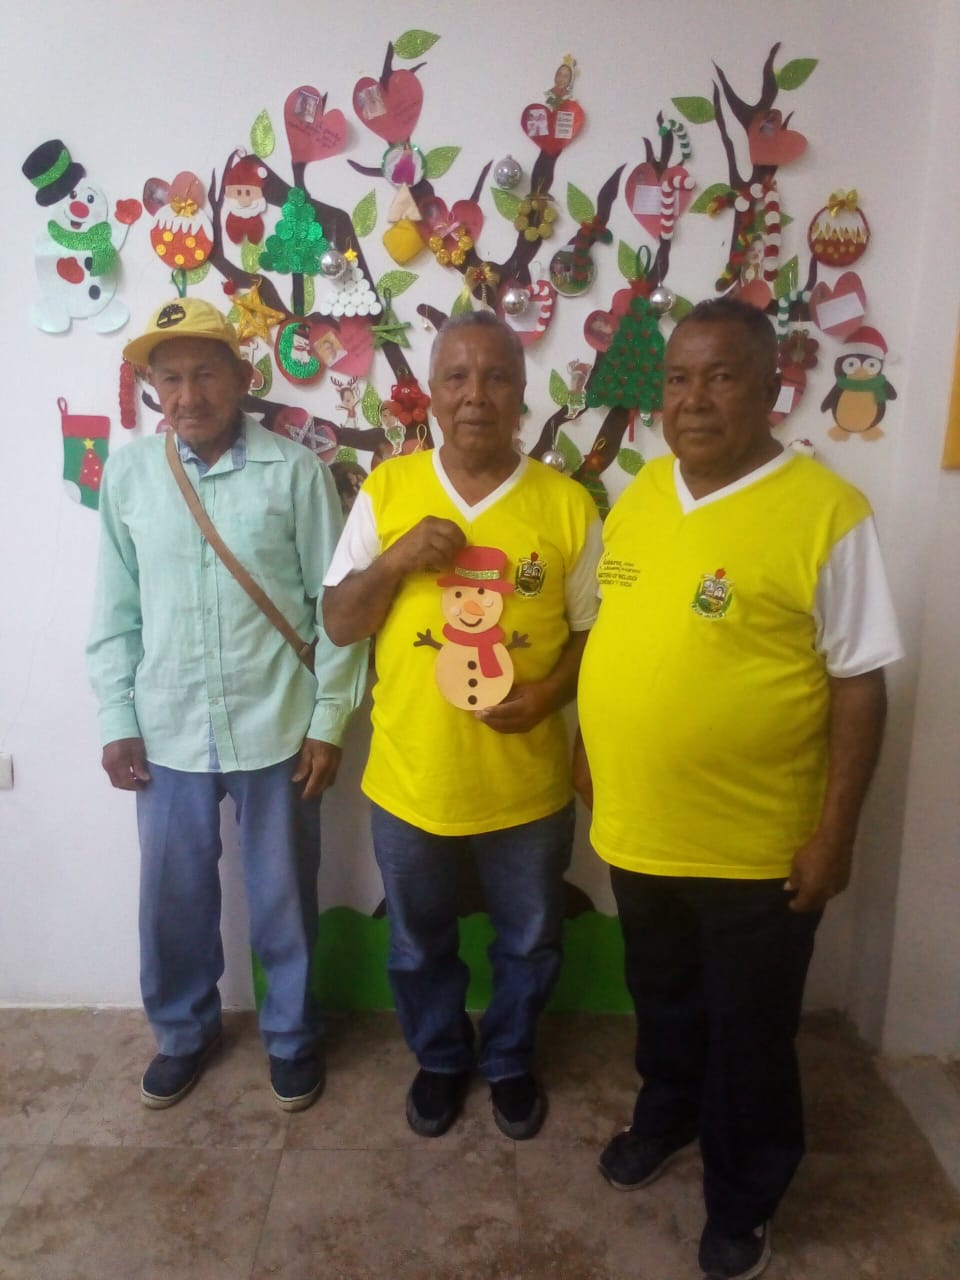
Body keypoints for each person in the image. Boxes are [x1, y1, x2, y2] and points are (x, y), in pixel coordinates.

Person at [574, 297, 902, 1280]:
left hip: (757, 845)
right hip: (640, 828)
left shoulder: (826, 513)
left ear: (771, 388)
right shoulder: (640, 492)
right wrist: (591, 751)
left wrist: (836, 833)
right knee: (663, 999)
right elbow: (617, 638)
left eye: (721, 377)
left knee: (751, 1034)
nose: (695, 399)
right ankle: (666, 1114)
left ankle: (745, 1193)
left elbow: (860, 682)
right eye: (679, 378)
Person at [322, 311, 602, 1140]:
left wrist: (547, 697)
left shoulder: (566, 505)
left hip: (528, 786)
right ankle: (441, 1058)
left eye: (496, 377)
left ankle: (509, 1059)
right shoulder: (388, 491)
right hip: (412, 781)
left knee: (531, 940)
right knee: (417, 944)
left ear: (522, 392)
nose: (475, 395)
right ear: (432, 394)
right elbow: (339, 622)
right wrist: (398, 558)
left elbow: (595, 634)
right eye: (456, 377)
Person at [87, 298, 366, 1113]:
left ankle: (293, 1037)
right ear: (153, 388)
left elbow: (334, 612)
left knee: (284, 898)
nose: (187, 395)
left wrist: (329, 723)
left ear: (242, 377)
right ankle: (182, 1034)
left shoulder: (297, 472)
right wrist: (116, 719)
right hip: (166, 727)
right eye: (169, 379)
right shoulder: (130, 478)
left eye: (205, 374)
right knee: (172, 900)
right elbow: (115, 611)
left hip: (276, 722)